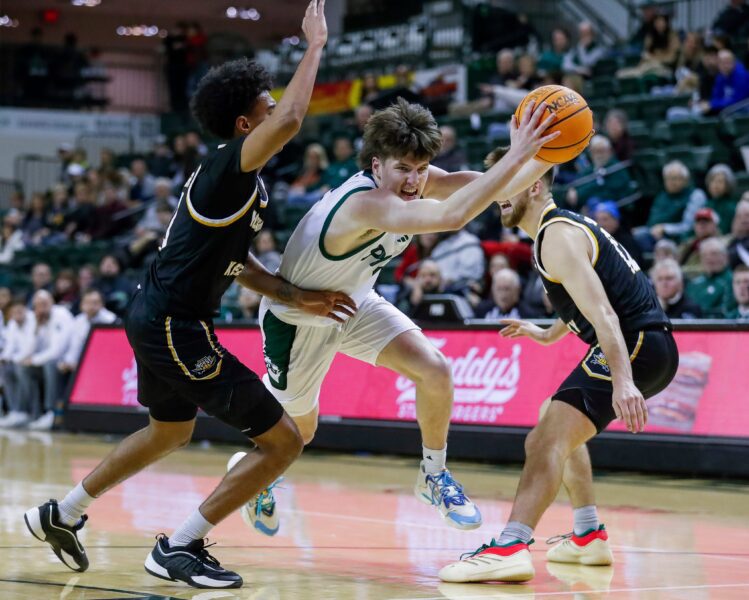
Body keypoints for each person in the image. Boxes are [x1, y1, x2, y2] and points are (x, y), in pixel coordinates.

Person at [24, 1, 353, 590]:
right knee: (283, 441)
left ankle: (62, 512)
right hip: (176, 324)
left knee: (171, 430)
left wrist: (295, 295)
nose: (278, 109)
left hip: (157, 316)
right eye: (266, 105)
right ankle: (179, 547)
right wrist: (315, 45)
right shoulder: (228, 166)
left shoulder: (236, 181)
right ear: (247, 126)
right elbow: (295, 119)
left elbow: (240, 263)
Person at [237, 98, 558, 538]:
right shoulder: (365, 203)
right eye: (404, 169)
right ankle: (256, 473)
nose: (415, 180)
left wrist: (547, 153)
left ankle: (433, 475)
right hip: (299, 317)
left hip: (351, 302)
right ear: (377, 165)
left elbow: (478, 186)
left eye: (422, 169)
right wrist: (518, 153)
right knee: (295, 436)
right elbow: (454, 214)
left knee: (435, 371)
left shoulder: (416, 180)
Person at [439, 146, 677, 584]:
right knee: (554, 415)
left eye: (505, 183)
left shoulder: (556, 235)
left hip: (635, 344)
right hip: (644, 344)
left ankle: (511, 544)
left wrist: (624, 381)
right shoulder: (552, 233)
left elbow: (605, 314)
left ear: (533, 185)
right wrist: (546, 333)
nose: (496, 195)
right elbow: (587, 302)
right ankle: (588, 536)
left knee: (543, 439)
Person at [686, 237, 734, 317]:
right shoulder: (694, 283)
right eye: (704, 255)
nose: (708, 258)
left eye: (714, 254)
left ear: (725, 256)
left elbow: (726, 311)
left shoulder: (733, 280)